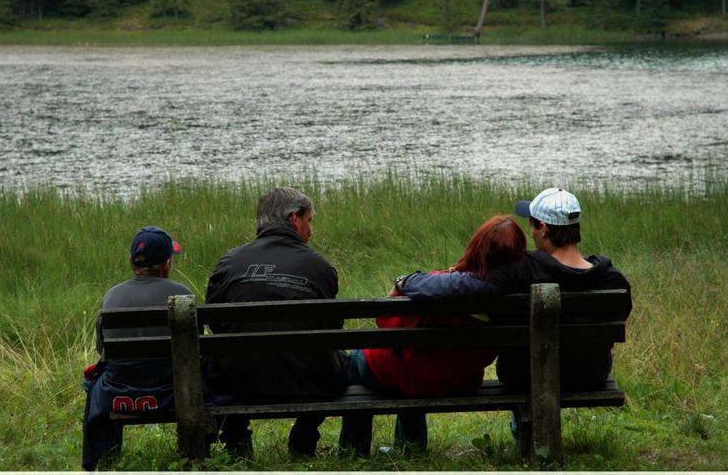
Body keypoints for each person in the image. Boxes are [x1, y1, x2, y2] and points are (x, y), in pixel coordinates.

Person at [395, 188, 632, 440]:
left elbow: (459, 286)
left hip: (525, 376)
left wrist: (408, 281)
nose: (529, 232)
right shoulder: (612, 279)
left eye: (531, 225)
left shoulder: (522, 271)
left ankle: (523, 431)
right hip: (590, 376)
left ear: (543, 228)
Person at [338, 216, 527, 457]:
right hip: (464, 380)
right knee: (414, 364)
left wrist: (400, 284)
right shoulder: (514, 297)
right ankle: (408, 446)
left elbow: (386, 325)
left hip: (415, 378)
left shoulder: (438, 286)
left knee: (357, 360)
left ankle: (354, 449)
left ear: (476, 248)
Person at [205, 187, 348, 457]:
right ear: (295, 219)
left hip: (236, 380)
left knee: (216, 361)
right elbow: (332, 328)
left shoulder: (229, 262)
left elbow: (217, 324)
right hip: (308, 380)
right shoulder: (320, 267)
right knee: (340, 360)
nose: (311, 230)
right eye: (309, 221)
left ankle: (236, 438)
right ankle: (305, 433)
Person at [82, 226, 198, 471]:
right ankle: (196, 451)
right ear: (166, 264)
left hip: (119, 394)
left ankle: (106, 457)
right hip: (171, 394)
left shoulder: (111, 297)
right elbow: (194, 352)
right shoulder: (182, 295)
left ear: (131, 262)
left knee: (93, 381)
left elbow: (102, 350)